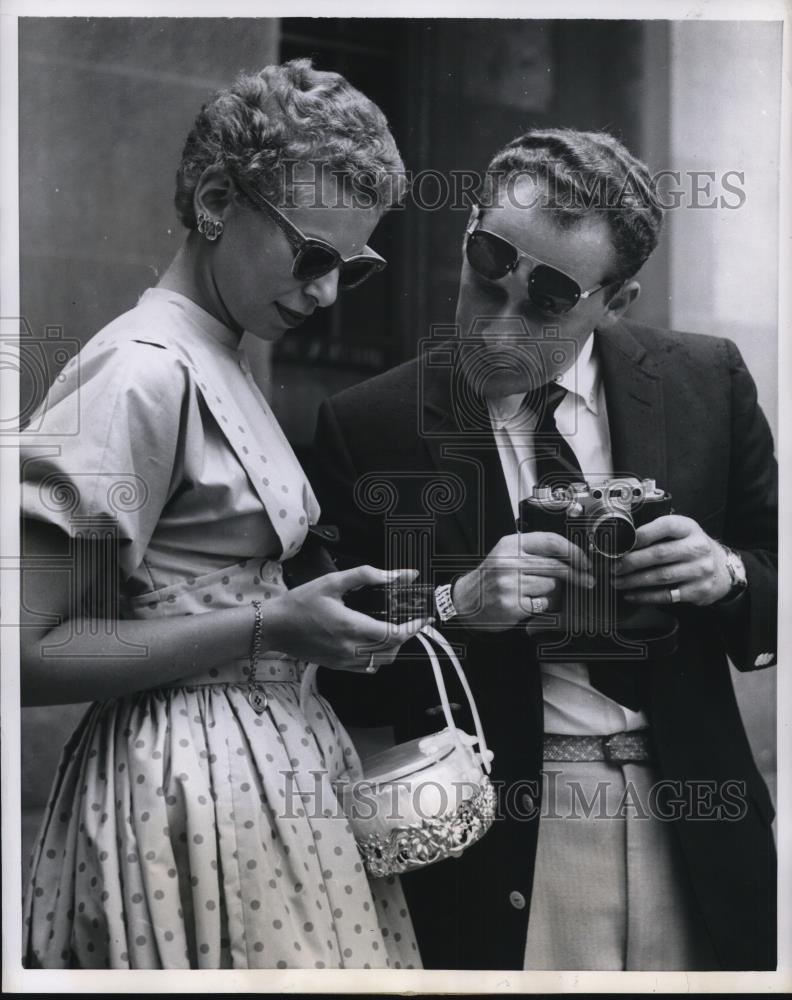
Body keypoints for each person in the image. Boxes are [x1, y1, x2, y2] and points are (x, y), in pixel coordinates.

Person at [311, 129, 777, 971]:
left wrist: (728, 573)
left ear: (620, 300)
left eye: (546, 302)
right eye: (486, 273)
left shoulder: (709, 382)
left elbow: (777, 572)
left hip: (699, 828)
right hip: (500, 838)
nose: (495, 329)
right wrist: (458, 609)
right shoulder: (369, 425)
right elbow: (334, 663)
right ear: (468, 236)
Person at [20, 59, 430, 970]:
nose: (325, 293)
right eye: (312, 256)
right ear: (215, 201)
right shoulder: (139, 371)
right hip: (179, 798)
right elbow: (22, 651)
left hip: (259, 785)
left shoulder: (219, 353)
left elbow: (198, 585)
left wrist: (313, 614)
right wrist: (268, 625)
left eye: (351, 269)